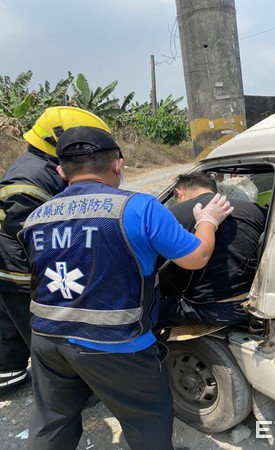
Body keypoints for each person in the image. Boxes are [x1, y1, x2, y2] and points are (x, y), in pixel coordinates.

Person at [18, 125, 233, 450]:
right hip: (116, 346)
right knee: (147, 420)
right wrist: (209, 221)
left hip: (47, 341)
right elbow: (196, 257)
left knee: (52, 422)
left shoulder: (35, 217)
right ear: (118, 164)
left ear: (61, 170)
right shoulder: (139, 208)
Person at [0, 106, 110, 395]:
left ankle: (8, 374)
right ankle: (67, 390)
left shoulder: (41, 166)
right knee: (45, 331)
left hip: (15, 266)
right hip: (20, 271)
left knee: (12, 325)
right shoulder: (29, 179)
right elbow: (37, 233)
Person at [158, 172, 266, 328]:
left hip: (209, 309)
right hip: (253, 302)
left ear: (178, 193)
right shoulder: (254, 210)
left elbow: (156, 261)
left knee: (147, 316)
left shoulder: (173, 215)